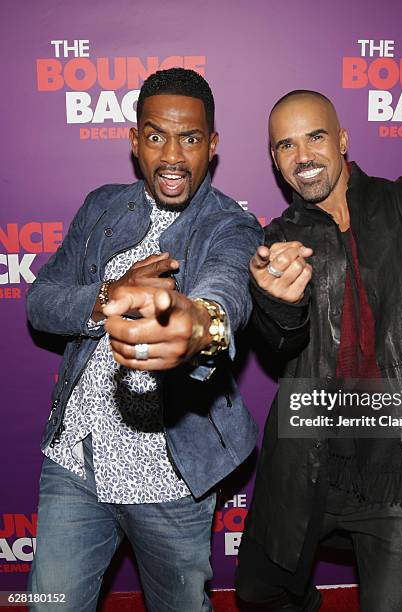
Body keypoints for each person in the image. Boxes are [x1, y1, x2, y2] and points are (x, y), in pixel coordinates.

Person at [236, 90, 402, 612]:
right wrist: (279, 303)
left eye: (315, 137)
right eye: (286, 146)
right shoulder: (278, 240)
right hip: (310, 459)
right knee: (256, 590)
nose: (304, 157)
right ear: (275, 160)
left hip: (400, 471)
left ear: (341, 140)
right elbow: (279, 343)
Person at [26, 68, 262, 612]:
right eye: (156, 136)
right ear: (134, 142)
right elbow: (41, 301)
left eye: (191, 137)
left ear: (214, 145)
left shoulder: (231, 224)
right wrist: (107, 298)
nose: (173, 155)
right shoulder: (101, 207)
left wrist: (200, 323)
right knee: (47, 605)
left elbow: (227, 289)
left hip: (172, 482)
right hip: (76, 463)